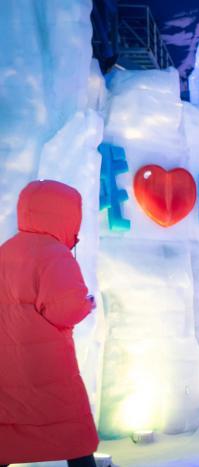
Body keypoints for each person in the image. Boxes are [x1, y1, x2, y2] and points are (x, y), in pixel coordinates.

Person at [0, 180, 98, 467]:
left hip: (7, 360)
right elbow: (65, 310)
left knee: (8, 423)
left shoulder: (5, 250)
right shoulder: (55, 255)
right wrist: (87, 303)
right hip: (45, 363)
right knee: (69, 423)